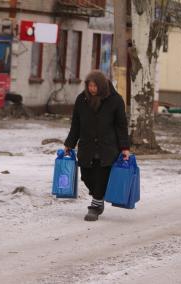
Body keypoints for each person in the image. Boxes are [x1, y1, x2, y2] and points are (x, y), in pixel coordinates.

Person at [64, 70, 130, 221]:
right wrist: (69, 144)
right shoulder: (82, 100)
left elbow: (121, 126)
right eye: (89, 86)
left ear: (101, 86)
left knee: (101, 176)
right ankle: (99, 197)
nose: (92, 89)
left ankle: (95, 206)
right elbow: (76, 124)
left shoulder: (115, 100)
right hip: (87, 145)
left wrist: (125, 148)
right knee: (86, 176)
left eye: (95, 86)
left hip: (107, 146)